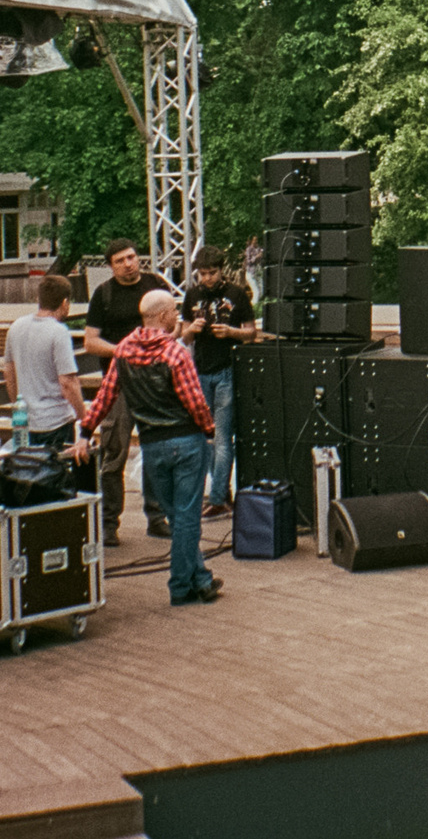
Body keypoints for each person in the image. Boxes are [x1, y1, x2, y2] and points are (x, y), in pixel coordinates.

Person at [81, 289, 221, 606]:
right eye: (174, 310)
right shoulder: (176, 354)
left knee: (177, 515)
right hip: (185, 441)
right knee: (187, 519)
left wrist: (85, 429)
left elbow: (104, 397)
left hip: (152, 446)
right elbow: (195, 402)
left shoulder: (124, 351)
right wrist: (209, 430)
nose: (177, 315)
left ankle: (202, 578)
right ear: (161, 317)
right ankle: (180, 586)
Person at [81, 238, 173, 543]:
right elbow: (91, 342)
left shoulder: (156, 285)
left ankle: (157, 517)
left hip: (154, 383)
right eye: (120, 260)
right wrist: (122, 351)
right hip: (118, 384)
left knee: (155, 452)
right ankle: (109, 523)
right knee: (114, 453)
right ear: (111, 265)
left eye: (132, 257)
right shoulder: (103, 294)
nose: (128, 263)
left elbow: (172, 326)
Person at [179, 244, 258, 519]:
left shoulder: (236, 294)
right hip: (200, 371)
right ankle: (222, 494)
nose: (207, 278)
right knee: (206, 436)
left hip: (226, 370)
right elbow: (183, 337)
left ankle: (217, 498)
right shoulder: (192, 294)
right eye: (203, 273)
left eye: (212, 273)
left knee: (223, 436)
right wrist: (192, 329)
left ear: (221, 270)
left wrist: (231, 332)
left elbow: (251, 333)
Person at [2, 273, 91, 454]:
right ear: (65, 303)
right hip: (56, 421)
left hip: (25, 420)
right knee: (55, 476)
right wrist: (84, 417)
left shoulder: (16, 326)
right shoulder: (59, 332)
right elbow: (67, 382)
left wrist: (17, 405)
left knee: (28, 471)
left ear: (39, 299)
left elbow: (8, 371)